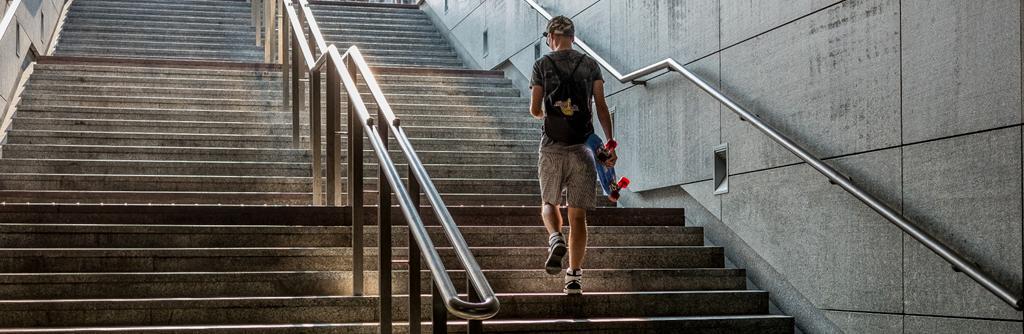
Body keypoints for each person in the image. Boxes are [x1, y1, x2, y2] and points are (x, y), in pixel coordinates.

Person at [528, 15, 616, 295]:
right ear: (573, 37)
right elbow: (601, 106)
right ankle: (574, 277)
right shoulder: (590, 65)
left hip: (552, 145)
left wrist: (547, 114)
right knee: (578, 217)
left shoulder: (542, 65)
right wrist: (610, 143)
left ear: (552, 38)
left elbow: (534, 109)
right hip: (583, 149)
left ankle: (555, 238)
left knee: (548, 203)